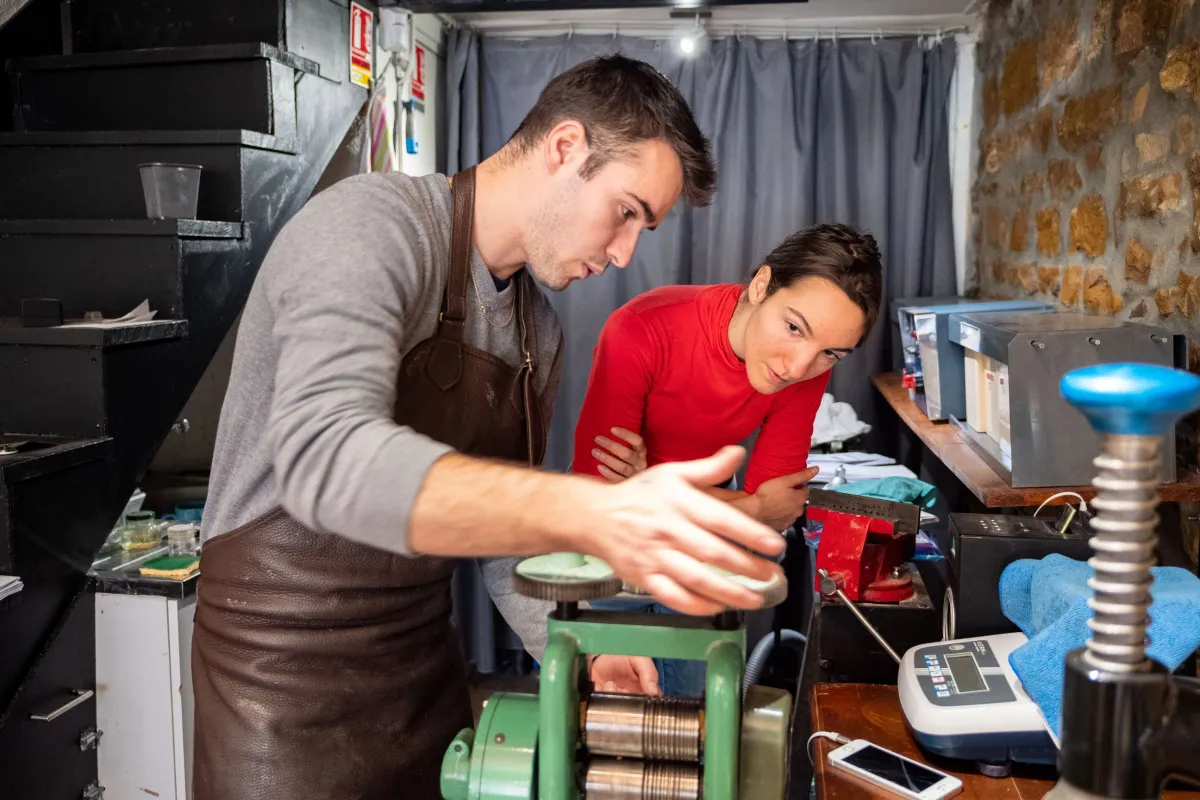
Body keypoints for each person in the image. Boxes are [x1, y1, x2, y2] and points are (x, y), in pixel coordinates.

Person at [191, 54, 788, 800]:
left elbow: (505, 548)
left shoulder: (538, 333)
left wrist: (581, 652)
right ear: (564, 146)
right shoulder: (371, 226)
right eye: (626, 211)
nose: (625, 253)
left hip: (425, 679)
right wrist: (598, 513)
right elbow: (327, 461)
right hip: (277, 686)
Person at [573, 223, 884, 696]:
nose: (798, 366)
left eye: (829, 354)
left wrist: (651, 489)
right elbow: (597, 505)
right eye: (793, 327)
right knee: (598, 714)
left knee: (694, 719)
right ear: (760, 285)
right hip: (611, 554)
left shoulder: (804, 366)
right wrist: (748, 505)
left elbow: (772, 520)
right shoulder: (642, 328)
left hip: (701, 557)